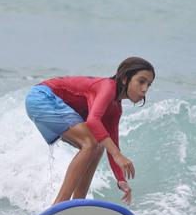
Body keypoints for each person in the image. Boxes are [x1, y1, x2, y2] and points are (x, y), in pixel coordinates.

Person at [25, 57, 155, 205]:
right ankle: (60, 205)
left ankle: (77, 205)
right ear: (125, 78)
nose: (145, 89)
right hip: (42, 97)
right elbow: (93, 121)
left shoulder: (115, 108)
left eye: (149, 85)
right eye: (141, 81)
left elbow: (111, 144)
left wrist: (121, 180)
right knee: (91, 143)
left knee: (98, 146)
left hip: (46, 102)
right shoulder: (107, 87)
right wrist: (117, 155)